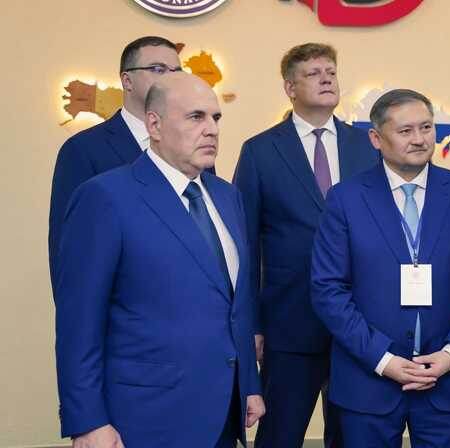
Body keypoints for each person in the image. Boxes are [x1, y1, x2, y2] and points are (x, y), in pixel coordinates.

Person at [54, 72, 264, 448]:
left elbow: (235, 303)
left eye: (216, 118)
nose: (212, 129)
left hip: (224, 413)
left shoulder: (227, 197)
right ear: (154, 124)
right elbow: (79, 322)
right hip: (144, 417)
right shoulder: (105, 197)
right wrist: (87, 421)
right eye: (195, 117)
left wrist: (247, 383)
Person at [310, 89, 450, 447]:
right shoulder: (346, 198)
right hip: (368, 382)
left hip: (446, 381)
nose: (419, 139)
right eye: (405, 130)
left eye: (426, 127)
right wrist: (383, 360)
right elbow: (328, 290)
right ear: (376, 138)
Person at [232, 42, 377, 448]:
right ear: (290, 88)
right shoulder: (260, 150)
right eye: (313, 73)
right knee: (280, 435)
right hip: (288, 322)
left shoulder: (367, 146)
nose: (326, 79)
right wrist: (251, 324)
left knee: (353, 437)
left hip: (359, 323)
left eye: (331, 72)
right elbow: (243, 244)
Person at [49, 36, 184, 288]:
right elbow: (70, 253)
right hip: (119, 304)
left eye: (176, 71)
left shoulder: (191, 149)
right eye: (158, 69)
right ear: (127, 80)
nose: (170, 78)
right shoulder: (83, 150)